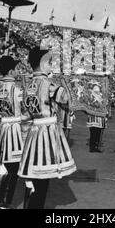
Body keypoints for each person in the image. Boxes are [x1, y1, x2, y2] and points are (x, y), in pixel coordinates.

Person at [18, 46, 77, 209]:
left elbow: (24, 117)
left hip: (33, 133)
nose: (51, 65)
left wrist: (25, 138)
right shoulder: (47, 84)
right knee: (43, 179)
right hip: (46, 134)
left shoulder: (28, 86)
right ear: (43, 63)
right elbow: (67, 99)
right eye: (49, 62)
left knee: (32, 177)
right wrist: (67, 83)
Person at [0, 55, 29, 209]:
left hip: (2, 129)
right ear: (12, 71)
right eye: (17, 69)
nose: (18, 71)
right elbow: (26, 113)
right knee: (13, 168)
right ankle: (3, 201)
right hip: (15, 130)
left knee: (3, 166)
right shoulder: (18, 90)